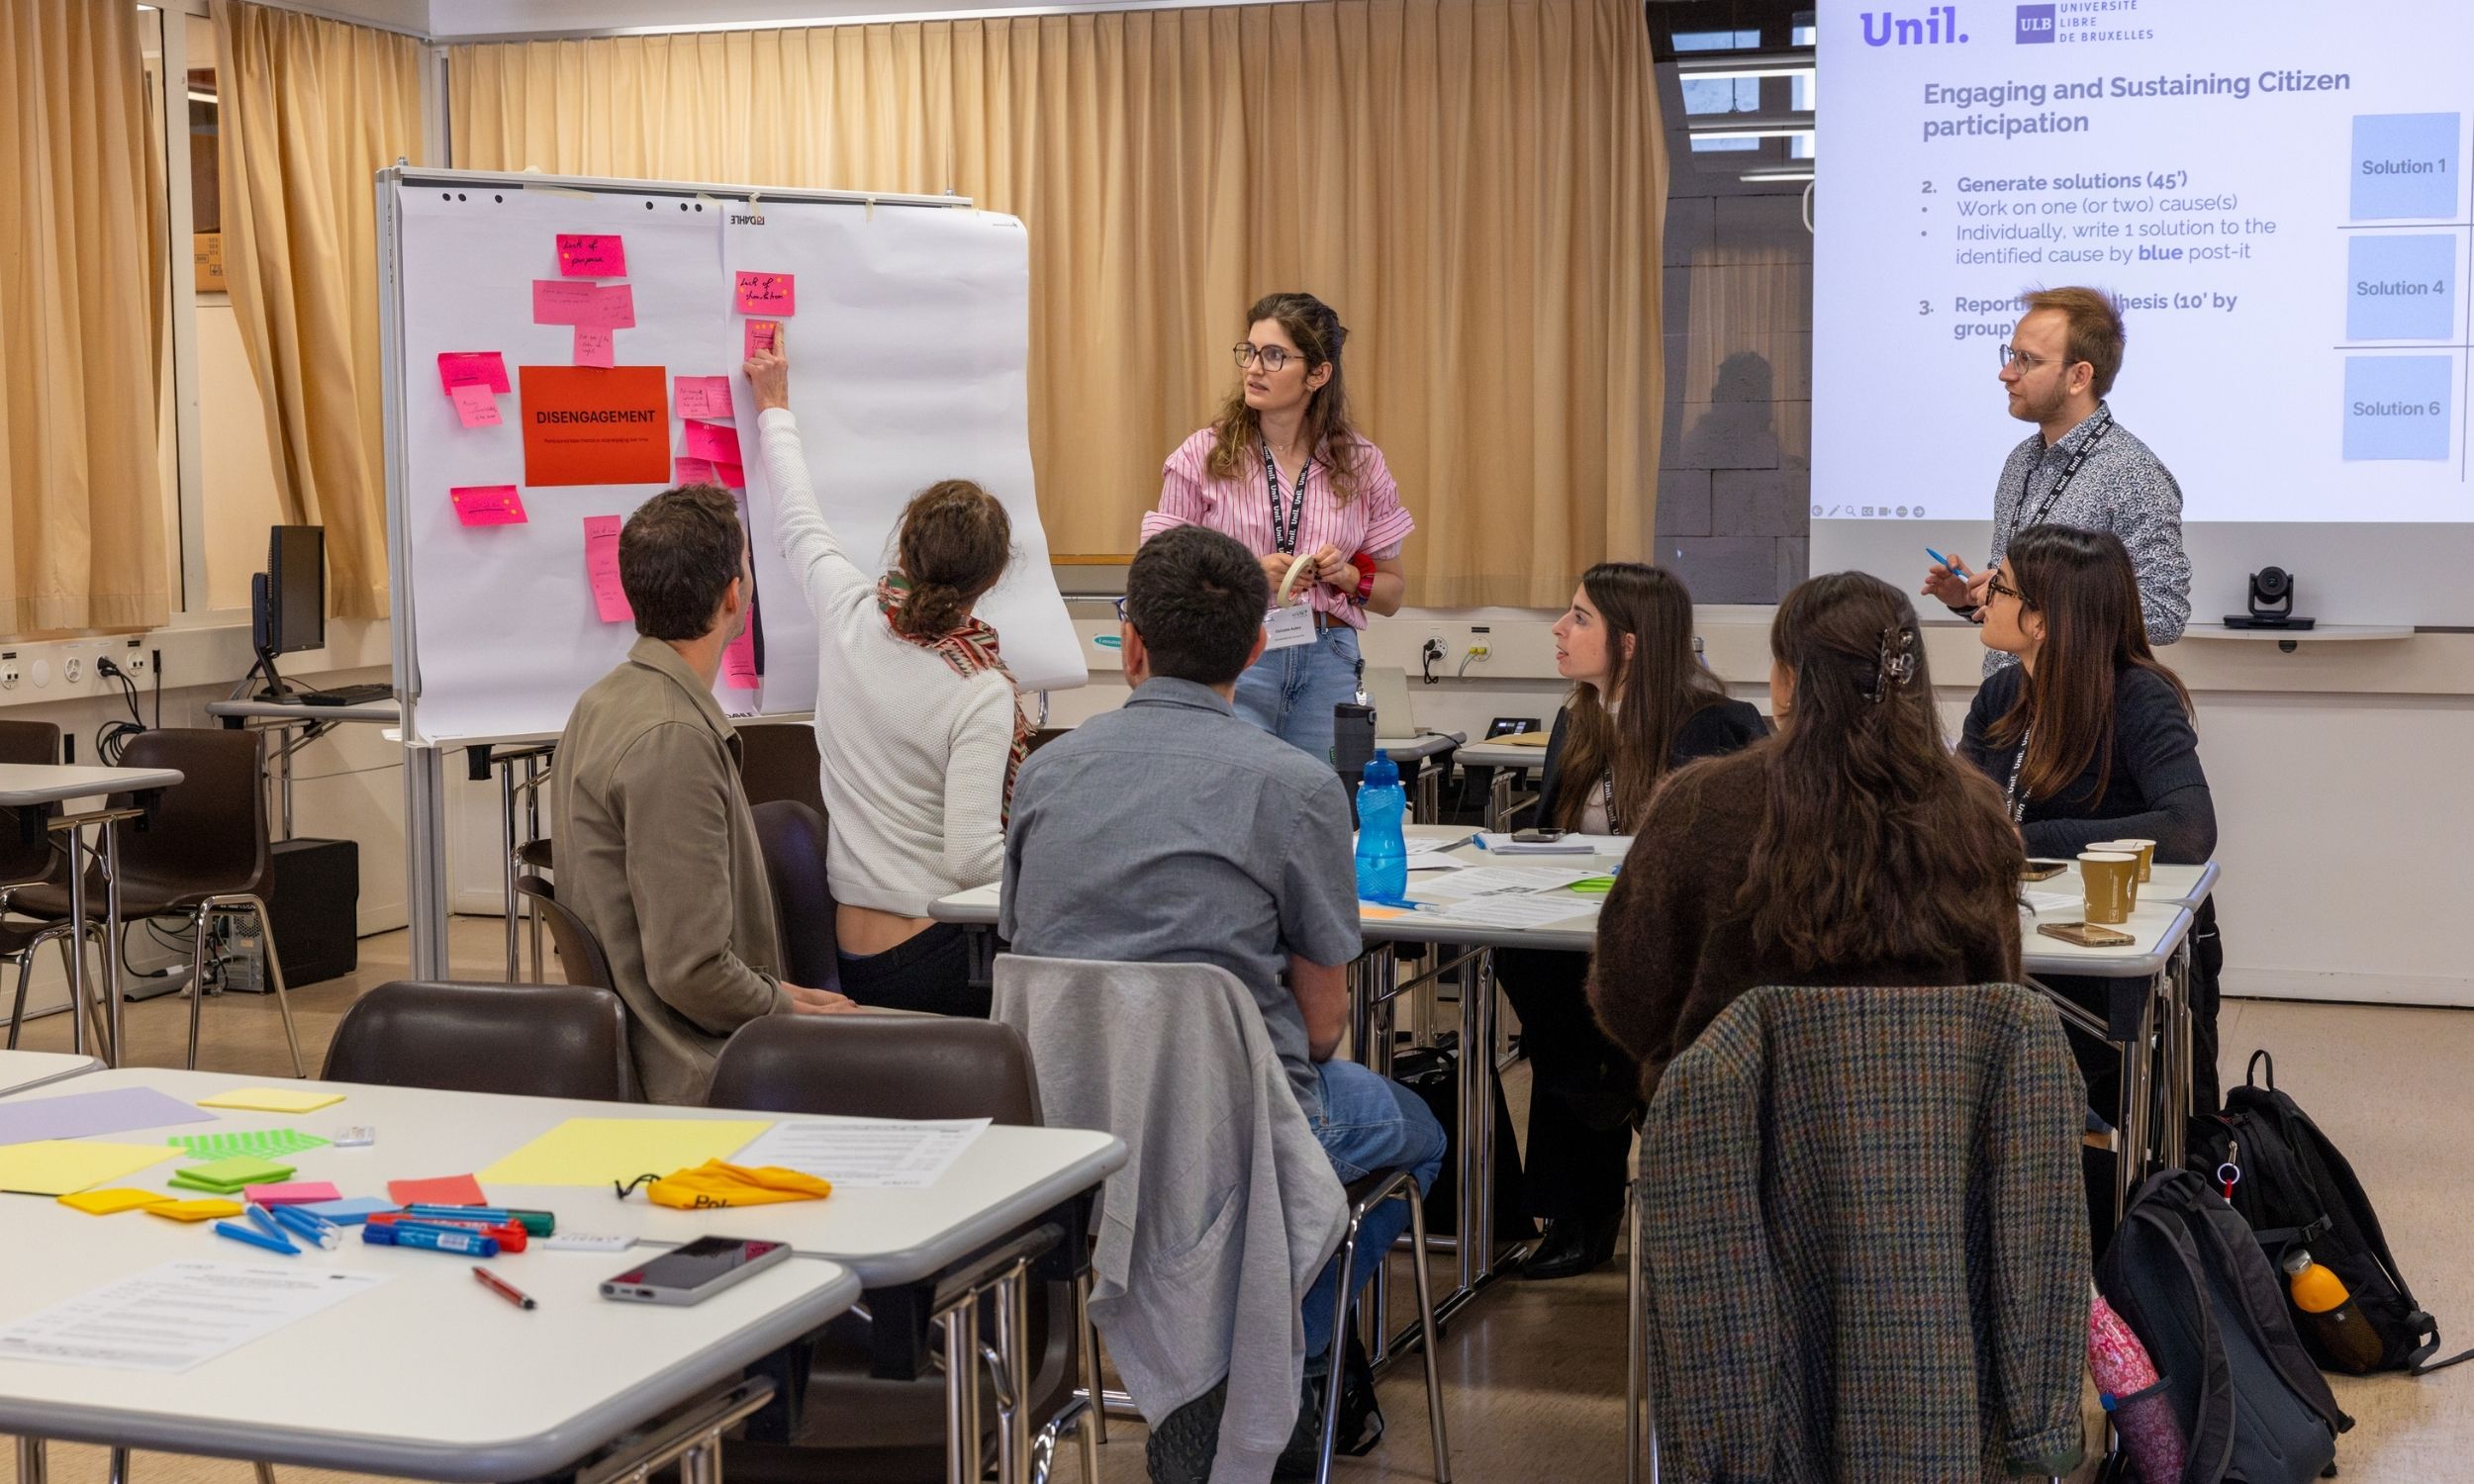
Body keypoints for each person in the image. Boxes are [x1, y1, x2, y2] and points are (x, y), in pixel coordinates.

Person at [1001, 523, 1445, 1463]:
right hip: (1233, 1128)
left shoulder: (1043, 774)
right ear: (1254, 649)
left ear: (1130, 644)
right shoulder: (1295, 786)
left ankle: (1256, 1377)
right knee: (1415, 1130)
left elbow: (1028, 959)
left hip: (1064, 1136)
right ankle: (1288, 1370)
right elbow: (1323, 1026)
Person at [1588, 572, 2025, 1104]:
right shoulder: (1974, 817)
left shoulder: (1700, 804)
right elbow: (1999, 997)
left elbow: (1630, 998)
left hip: (1731, 1129)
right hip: (1932, 1130)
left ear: (1790, 679)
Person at [1498, 563, 1766, 1280]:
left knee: (1591, 1008)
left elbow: (1721, 864)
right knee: (1522, 956)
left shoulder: (1715, 725)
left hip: (1679, 940)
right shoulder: (1577, 718)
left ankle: (1607, 1105)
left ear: (1631, 643)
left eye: (1580, 617)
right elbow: (1552, 833)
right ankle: (1584, 1173)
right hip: (1582, 923)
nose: (1560, 629)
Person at [745, 339, 1024, 1019]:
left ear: (904, 548)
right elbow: (971, 861)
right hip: (939, 956)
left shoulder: (848, 612)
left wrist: (774, 408)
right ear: (990, 581)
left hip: (852, 955)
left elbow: (797, 520)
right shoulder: (979, 690)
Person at [555, 484, 854, 1104]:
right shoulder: (672, 739)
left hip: (663, 1044)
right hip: (693, 1069)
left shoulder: (603, 701)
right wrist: (781, 1009)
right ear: (732, 595)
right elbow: (691, 973)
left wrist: (777, 995)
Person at [1959, 522, 2223, 1111]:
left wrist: (2032, 840)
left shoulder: (2139, 696)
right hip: (2015, 935)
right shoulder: (2000, 695)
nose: (1984, 595)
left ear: (2041, 621)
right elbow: (1961, 814)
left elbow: (2190, 829)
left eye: (2000, 587)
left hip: (2107, 957)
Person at [1142, 292, 1414, 762]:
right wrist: (1245, 576)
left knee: (1325, 796)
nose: (1253, 368)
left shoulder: (1362, 462)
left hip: (1329, 658)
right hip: (1234, 654)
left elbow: (1391, 595)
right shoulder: (1202, 455)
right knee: (1234, 791)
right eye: (1249, 352)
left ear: (1318, 374)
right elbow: (1158, 580)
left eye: (1274, 356)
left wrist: (1348, 576)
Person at [1923, 286, 2191, 669]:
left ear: (2079, 376)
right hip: (2006, 698)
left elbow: (2164, 615)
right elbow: (2020, 614)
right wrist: (1974, 598)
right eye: (2010, 355)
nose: (2005, 373)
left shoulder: (2132, 473)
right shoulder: (2021, 461)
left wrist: (2037, 604)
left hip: (2076, 703)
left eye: (2026, 360)